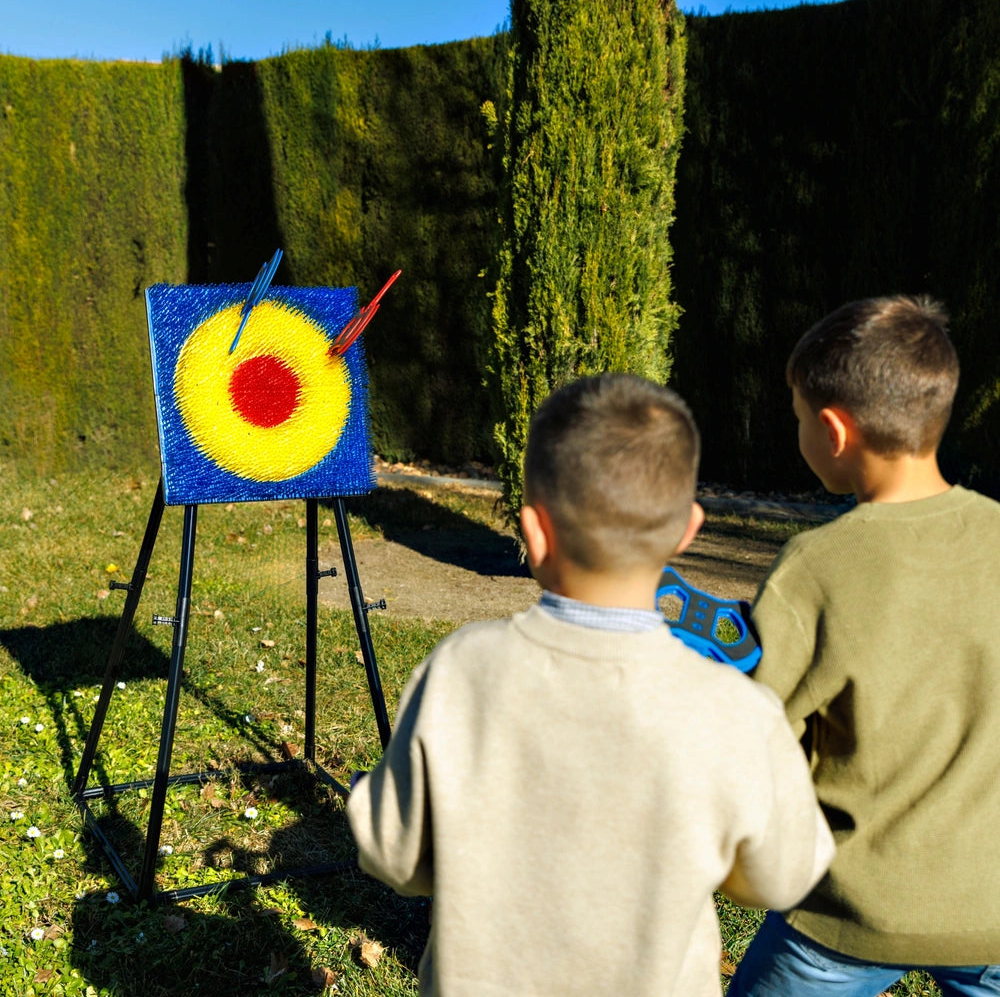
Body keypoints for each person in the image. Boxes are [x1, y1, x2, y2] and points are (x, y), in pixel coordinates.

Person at [347, 373, 833, 997]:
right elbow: (782, 878)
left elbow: (393, 853)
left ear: (534, 532)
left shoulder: (461, 672)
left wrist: (368, 797)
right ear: (688, 529)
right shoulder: (735, 709)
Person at [729, 296, 1000, 996]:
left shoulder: (818, 566)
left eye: (796, 420)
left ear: (834, 430)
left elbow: (761, 739)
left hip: (847, 913)